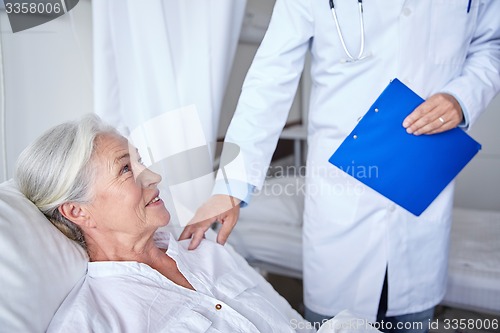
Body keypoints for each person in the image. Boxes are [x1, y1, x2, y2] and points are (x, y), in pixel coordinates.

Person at [180, 0, 500, 331]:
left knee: (412, 319)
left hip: (421, 205)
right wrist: (231, 186)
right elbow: (270, 79)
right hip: (343, 206)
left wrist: (462, 98)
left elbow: (492, 44)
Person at [14, 115, 316, 333]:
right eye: (125, 169)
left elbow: (296, 325)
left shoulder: (204, 247)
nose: (154, 177)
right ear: (77, 211)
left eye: (141, 161)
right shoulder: (95, 321)